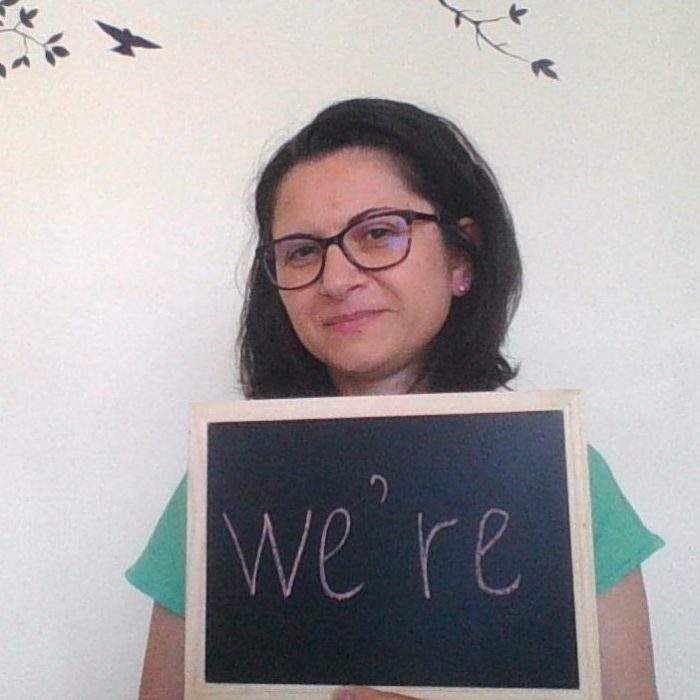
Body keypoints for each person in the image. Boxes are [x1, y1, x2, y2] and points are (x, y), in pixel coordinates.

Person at [126, 98, 664, 699]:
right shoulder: (225, 483)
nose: (337, 280)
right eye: (302, 250)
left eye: (379, 233)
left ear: (461, 257)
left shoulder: (561, 476)